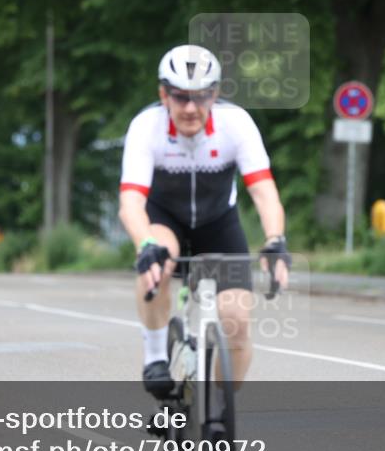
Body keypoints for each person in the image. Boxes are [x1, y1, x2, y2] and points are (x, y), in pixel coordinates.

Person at [118, 44, 291, 399]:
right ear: (163, 94)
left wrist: (275, 240)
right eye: (181, 98)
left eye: (201, 97)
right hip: (165, 218)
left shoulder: (236, 124)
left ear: (216, 94)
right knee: (157, 261)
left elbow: (263, 191)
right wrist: (144, 244)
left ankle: (218, 408)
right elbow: (131, 201)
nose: (191, 109)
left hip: (218, 224)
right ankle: (154, 357)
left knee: (238, 323)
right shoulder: (146, 127)